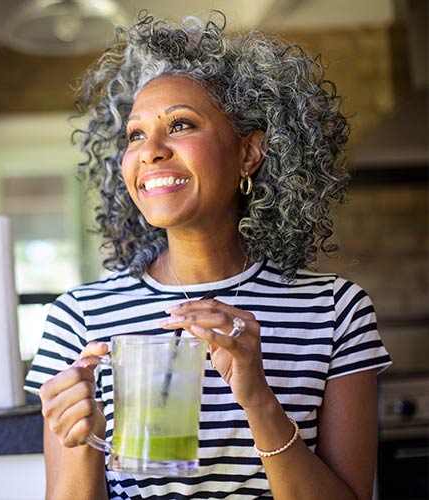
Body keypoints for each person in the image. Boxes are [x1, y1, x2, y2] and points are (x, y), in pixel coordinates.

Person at [25, 11, 392, 500]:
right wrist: (83, 443)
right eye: (135, 134)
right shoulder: (79, 318)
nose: (150, 150)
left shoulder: (335, 312)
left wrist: (258, 397)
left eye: (180, 124)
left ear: (249, 153)